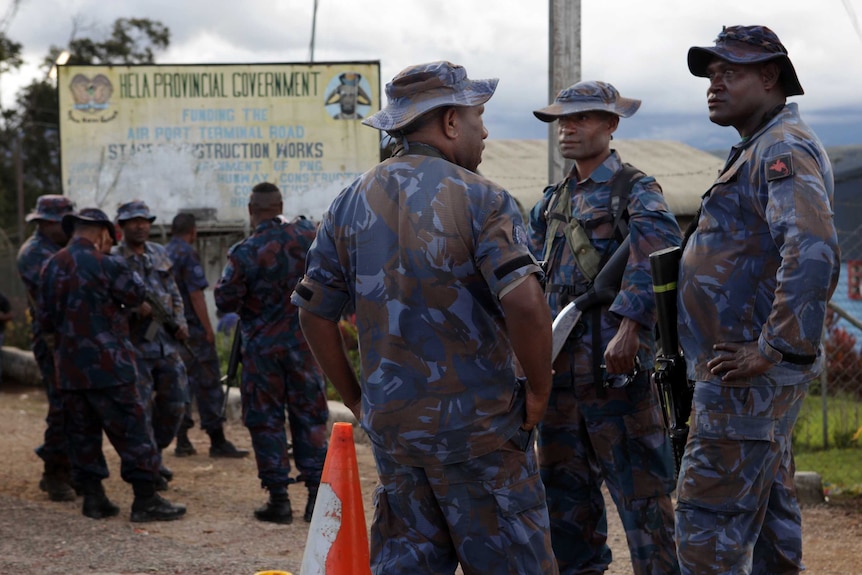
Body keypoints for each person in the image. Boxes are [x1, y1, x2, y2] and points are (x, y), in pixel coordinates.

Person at [292, 60, 557, 574]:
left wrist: (357, 398)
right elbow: (525, 303)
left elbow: (313, 314)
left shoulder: (349, 202)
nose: (486, 130)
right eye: (479, 116)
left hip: (395, 432)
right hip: (480, 432)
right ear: (451, 122)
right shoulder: (484, 198)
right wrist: (540, 393)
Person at [676, 26, 840, 574]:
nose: (713, 85)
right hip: (746, 378)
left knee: (707, 531)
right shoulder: (759, 145)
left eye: (730, 72)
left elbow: (812, 249)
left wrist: (773, 348)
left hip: (745, 380)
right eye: (710, 75)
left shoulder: (782, 148)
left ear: (769, 77)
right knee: (768, 522)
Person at [528, 81, 681, 575]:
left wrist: (632, 324)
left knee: (645, 506)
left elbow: (658, 254)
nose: (568, 129)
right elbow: (529, 272)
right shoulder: (554, 201)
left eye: (583, 118)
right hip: (558, 377)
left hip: (617, 374)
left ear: (611, 125)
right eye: (562, 121)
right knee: (566, 509)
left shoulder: (635, 189)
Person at [38, 207, 186, 522]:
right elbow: (137, 296)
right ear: (104, 233)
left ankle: (94, 499)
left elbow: (45, 321)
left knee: (82, 433)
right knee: (134, 432)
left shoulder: (50, 266)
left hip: (70, 368)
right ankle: (145, 500)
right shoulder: (109, 265)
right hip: (111, 367)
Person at [214, 183, 329, 525]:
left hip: (262, 351)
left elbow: (225, 302)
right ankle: (314, 498)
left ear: (251, 211)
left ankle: (279, 500)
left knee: (266, 422)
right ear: (280, 205)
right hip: (305, 345)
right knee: (309, 418)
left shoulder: (244, 251)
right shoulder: (309, 235)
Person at [112, 200, 189, 490]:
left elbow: (174, 292)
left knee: (176, 404)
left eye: (144, 220)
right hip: (133, 348)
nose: (140, 226)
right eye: (133, 221)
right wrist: (132, 309)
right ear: (121, 225)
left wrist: (180, 322)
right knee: (139, 410)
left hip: (165, 344)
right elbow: (107, 302)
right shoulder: (113, 259)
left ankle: (153, 455)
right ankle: (146, 466)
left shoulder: (159, 253)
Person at [165, 212, 248, 459]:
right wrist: (208, 329)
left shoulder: (163, 253)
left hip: (172, 331)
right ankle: (217, 440)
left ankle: (182, 440)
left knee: (180, 384)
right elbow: (196, 295)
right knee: (209, 384)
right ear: (192, 232)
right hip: (193, 332)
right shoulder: (187, 253)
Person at [16, 194, 77, 502]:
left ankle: (71, 465)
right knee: (62, 405)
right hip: (52, 339)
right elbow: (63, 290)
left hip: (76, 337)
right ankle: (54, 471)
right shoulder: (34, 253)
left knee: (78, 405)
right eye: (63, 221)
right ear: (46, 223)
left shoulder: (63, 247)